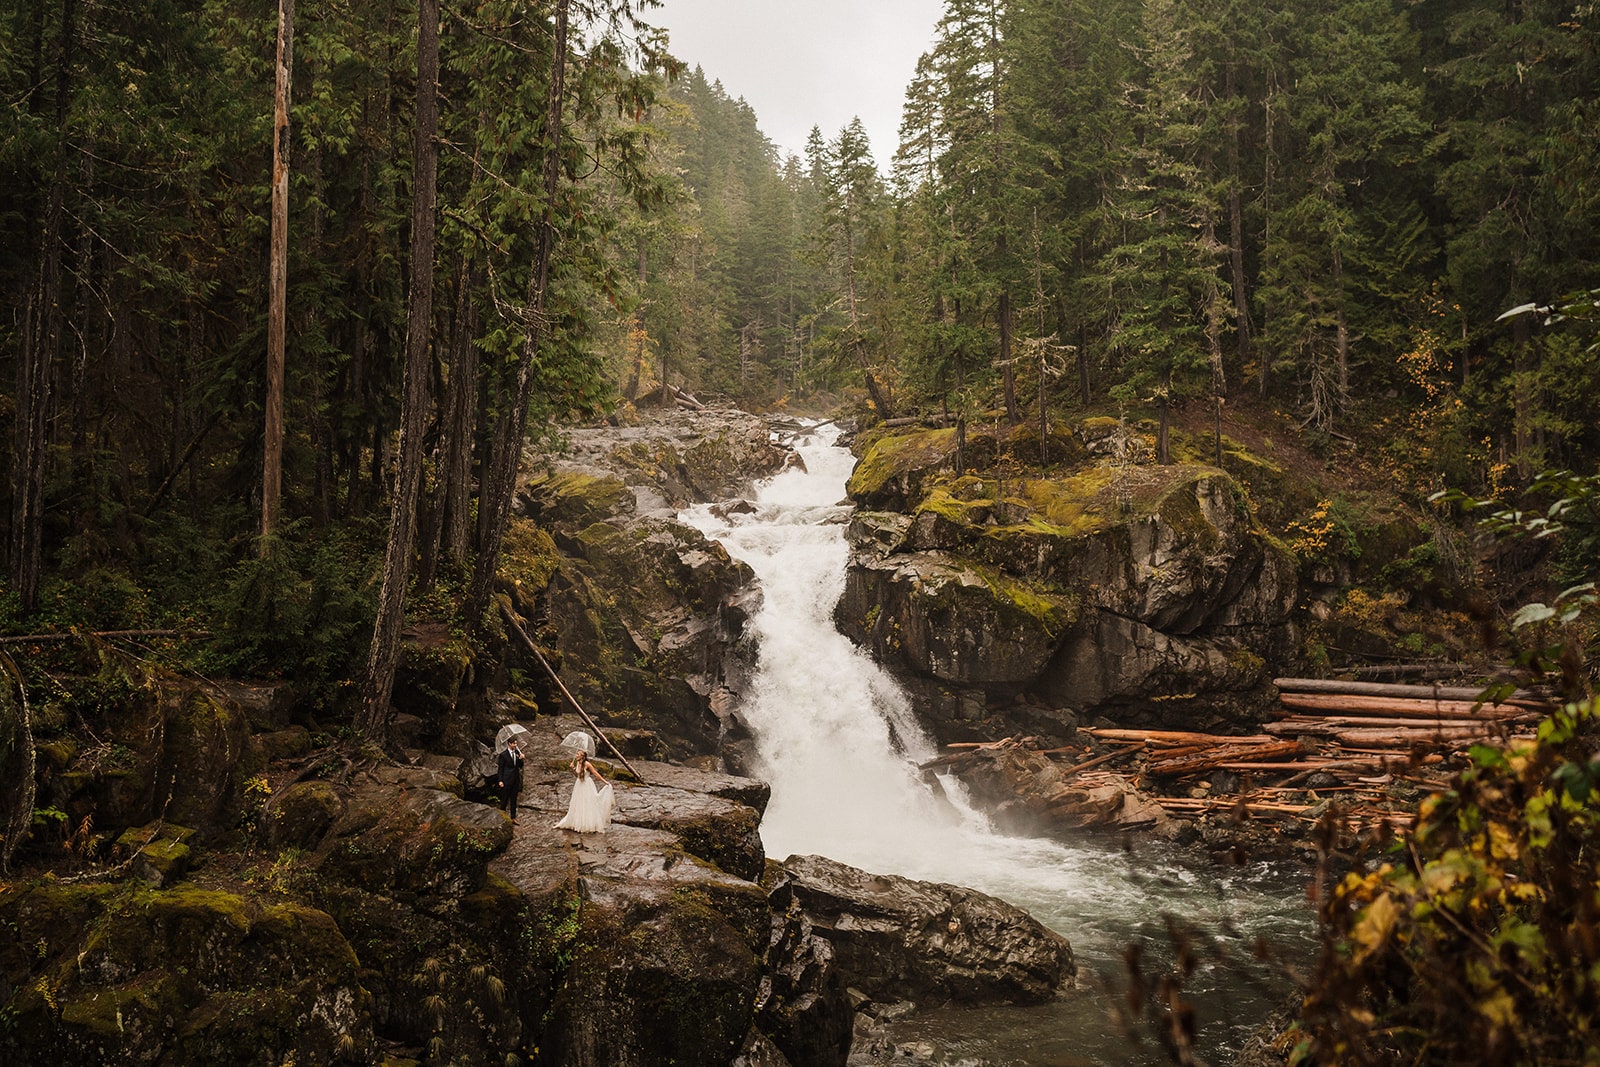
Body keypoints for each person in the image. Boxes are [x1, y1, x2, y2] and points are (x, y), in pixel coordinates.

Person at [554, 749, 614, 833]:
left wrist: (605, 782)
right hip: (579, 785)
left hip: (587, 785)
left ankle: (588, 823)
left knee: (588, 803)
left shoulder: (587, 764)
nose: (576, 755)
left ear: (582, 756)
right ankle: (577, 822)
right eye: (577, 754)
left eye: (578, 754)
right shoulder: (578, 763)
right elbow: (577, 776)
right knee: (579, 803)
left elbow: (596, 774)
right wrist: (573, 768)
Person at [497, 738, 525, 823]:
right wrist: (500, 780)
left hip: (515, 779)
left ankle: (513, 817)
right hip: (506, 779)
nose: (515, 745)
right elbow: (500, 769)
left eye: (516, 744)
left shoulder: (517, 753)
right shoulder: (503, 755)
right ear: (509, 744)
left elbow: (520, 766)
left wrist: (521, 758)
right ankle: (501, 816)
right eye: (514, 744)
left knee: (514, 799)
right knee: (504, 799)